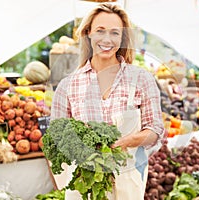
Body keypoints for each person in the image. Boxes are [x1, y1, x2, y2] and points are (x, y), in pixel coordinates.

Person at [51, 3, 165, 200]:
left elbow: (155, 130)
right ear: (88, 34)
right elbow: (56, 136)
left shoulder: (142, 79)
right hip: (84, 183)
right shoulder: (68, 85)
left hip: (127, 180)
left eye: (115, 33)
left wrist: (127, 141)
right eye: (100, 31)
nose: (107, 39)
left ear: (123, 38)